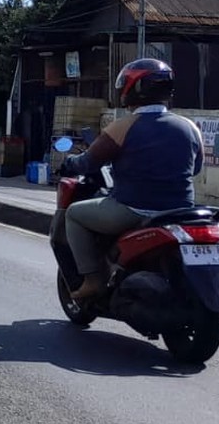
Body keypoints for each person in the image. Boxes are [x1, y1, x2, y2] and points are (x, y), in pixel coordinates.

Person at [60, 58, 204, 300]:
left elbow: (87, 162)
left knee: (74, 214)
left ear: (132, 89)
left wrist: (69, 163)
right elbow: (196, 168)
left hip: (133, 209)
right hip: (181, 212)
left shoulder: (123, 126)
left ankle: (93, 281)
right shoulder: (190, 126)